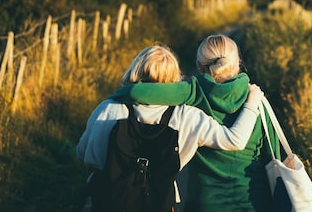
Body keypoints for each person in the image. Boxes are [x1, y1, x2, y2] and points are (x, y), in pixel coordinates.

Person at [76, 45, 264, 211]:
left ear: (135, 70)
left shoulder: (109, 108)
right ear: (175, 78)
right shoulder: (187, 116)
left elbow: (85, 153)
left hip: (109, 201)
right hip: (160, 202)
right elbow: (234, 139)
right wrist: (252, 102)